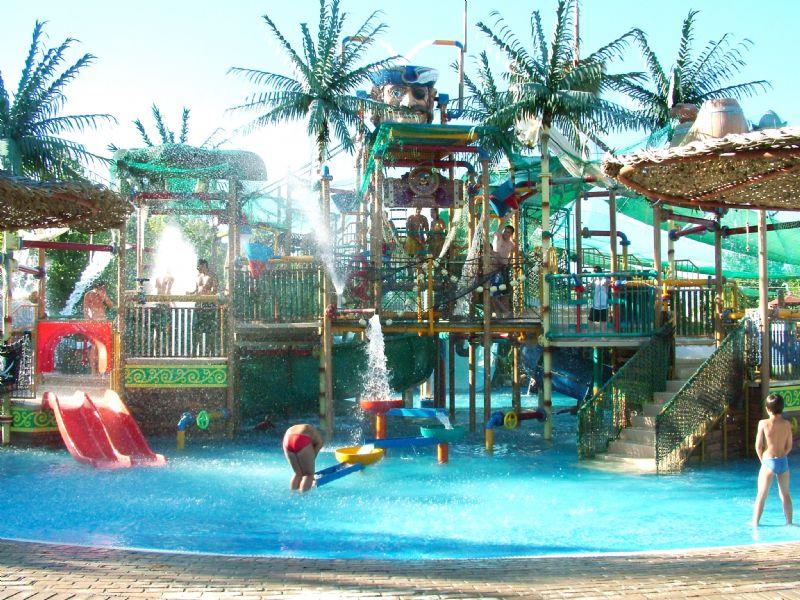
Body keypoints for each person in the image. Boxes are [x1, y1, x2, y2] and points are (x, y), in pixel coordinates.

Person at [753, 393, 794, 526]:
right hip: (783, 461)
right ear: (782, 407)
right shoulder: (787, 424)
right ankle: (789, 522)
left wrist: (763, 461)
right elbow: (789, 446)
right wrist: (783, 455)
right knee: (785, 494)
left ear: (767, 409)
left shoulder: (763, 423)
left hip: (768, 461)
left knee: (761, 495)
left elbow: (758, 446)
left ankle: (755, 523)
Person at [82, 281, 114, 374]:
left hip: (103, 322)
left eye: (104, 288)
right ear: (97, 287)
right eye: (102, 288)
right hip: (94, 322)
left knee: (105, 344)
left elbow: (111, 306)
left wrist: (104, 297)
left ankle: (103, 369)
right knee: (94, 345)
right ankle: (93, 370)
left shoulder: (103, 294)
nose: (103, 289)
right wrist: (89, 321)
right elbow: (86, 309)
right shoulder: (89, 294)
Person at [188, 259, 218, 356]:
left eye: (199, 266)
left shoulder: (212, 276)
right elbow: (196, 291)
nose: (197, 268)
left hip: (208, 305)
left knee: (209, 330)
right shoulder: (198, 276)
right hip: (198, 305)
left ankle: (210, 353)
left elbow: (215, 291)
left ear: (204, 265)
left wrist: (205, 294)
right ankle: (195, 352)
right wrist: (190, 294)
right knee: (196, 329)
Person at [282, 423, 324, 492]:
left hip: (287, 439)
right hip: (301, 439)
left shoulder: (305, 428)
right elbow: (317, 448)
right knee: (309, 474)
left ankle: (292, 494)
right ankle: (303, 496)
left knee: (298, 474)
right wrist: (310, 462)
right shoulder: (319, 439)